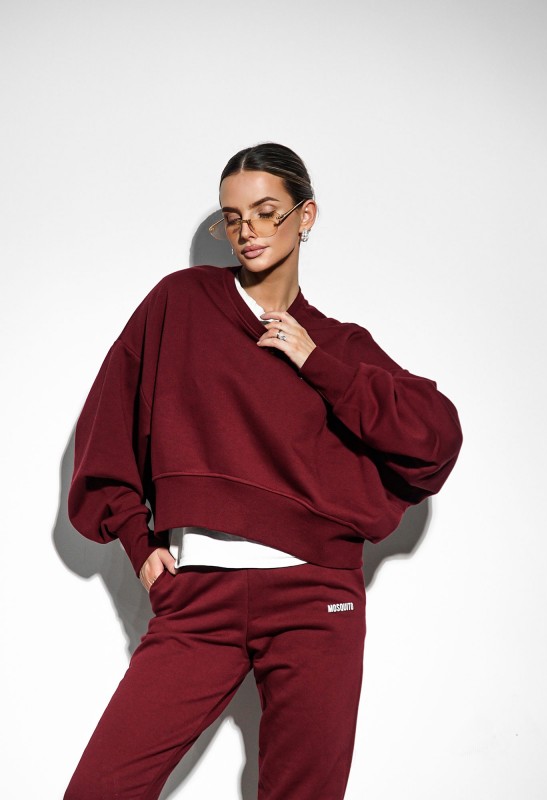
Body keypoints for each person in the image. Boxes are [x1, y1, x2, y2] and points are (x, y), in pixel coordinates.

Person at [64, 142, 463, 800]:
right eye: (234, 217)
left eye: (267, 211)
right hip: (199, 599)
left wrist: (317, 363)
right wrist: (138, 542)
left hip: (317, 600)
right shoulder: (181, 302)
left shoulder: (338, 343)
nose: (248, 230)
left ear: (306, 216)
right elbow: (107, 427)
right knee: (101, 789)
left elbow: (435, 438)